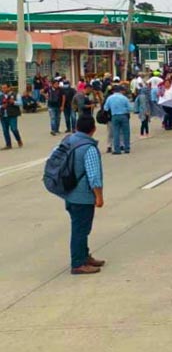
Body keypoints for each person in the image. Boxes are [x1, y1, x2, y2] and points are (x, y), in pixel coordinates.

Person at [61, 116, 106, 275]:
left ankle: (84, 256)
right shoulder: (89, 147)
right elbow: (94, 176)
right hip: (83, 195)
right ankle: (78, 263)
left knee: (81, 227)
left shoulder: (67, 141)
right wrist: (99, 197)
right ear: (93, 129)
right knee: (81, 229)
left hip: (69, 193)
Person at [103, 86, 132, 155]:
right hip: (124, 115)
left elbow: (106, 108)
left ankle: (117, 149)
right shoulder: (124, 98)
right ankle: (126, 148)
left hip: (114, 116)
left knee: (115, 132)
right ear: (120, 91)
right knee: (126, 132)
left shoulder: (110, 98)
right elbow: (130, 108)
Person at [1, 84, 23, 149]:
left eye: (5, 88)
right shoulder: (1, 96)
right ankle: (8, 144)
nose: (3, 89)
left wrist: (14, 102)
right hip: (3, 115)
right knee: (5, 131)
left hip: (12, 115)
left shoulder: (16, 94)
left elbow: (21, 103)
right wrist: (2, 106)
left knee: (14, 129)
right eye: (2, 88)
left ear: (9, 88)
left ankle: (19, 140)